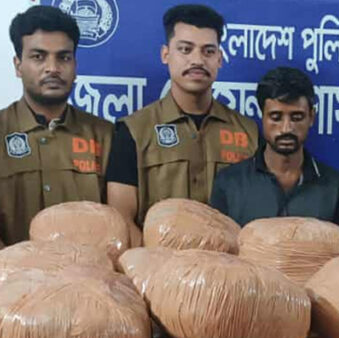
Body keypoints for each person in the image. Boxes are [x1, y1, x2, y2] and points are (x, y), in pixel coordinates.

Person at [0, 5, 113, 259]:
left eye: (63, 57)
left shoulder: (106, 134)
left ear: (75, 65)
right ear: (18, 65)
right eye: (38, 57)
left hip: (90, 278)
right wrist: (26, 276)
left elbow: (115, 227)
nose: (52, 68)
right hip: (12, 278)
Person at [106, 4, 258, 225]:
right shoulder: (133, 131)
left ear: (219, 59)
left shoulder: (249, 133)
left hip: (230, 248)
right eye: (186, 49)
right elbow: (122, 220)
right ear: (165, 55)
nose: (197, 60)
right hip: (153, 249)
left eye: (208, 51)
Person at [209, 66, 339, 228]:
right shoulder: (230, 183)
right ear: (262, 116)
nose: (286, 128)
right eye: (276, 118)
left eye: (297, 117)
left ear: (312, 117)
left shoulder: (334, 186)